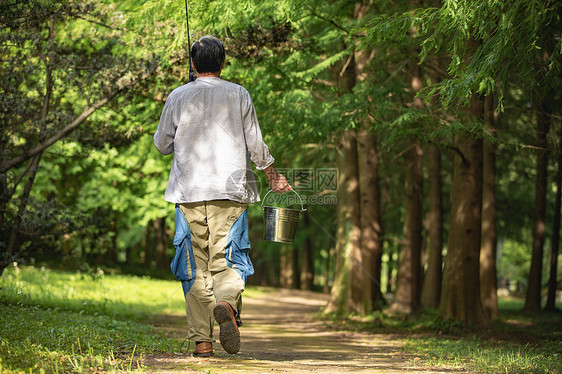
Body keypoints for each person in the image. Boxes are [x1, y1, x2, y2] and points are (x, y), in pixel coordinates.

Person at [154, 35, 291, 357]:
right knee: (229, 261)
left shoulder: (177, 96)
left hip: (187, 195)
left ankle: (202, 341)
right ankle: (226, 304)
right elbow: (255, 144)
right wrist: (273, 176)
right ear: (223, 63)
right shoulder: (239, 94)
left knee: (193, 269)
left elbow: (161, 145)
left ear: (192, 64)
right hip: (231, 193)